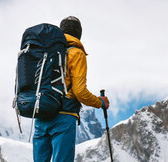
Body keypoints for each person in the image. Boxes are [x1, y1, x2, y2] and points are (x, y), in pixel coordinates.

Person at [33, 16, 110, 162]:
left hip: (41, 113)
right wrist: (100, 102)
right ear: (79, 33)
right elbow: (80, 92)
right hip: (63, 116)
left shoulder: (45, 51)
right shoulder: (76, 53)